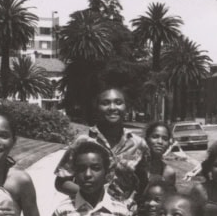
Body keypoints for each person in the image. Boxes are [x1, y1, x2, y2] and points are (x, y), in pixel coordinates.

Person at [54, 76, 150, 206]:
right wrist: (93, 196)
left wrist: (133, 202)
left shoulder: (138, 144)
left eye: (118, 102)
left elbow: (145, 183)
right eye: (105, 103)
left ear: (126, 107)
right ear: (97, 108)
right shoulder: (83, 142)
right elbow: (61, 182)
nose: (112, 107)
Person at [143, 121, 177, 188]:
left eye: (165, 139)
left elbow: (169, 197)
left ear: (169, 143)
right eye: (155, 137)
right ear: (146, 139)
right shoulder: (134, 165)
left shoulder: (168, 173)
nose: (160, 142)